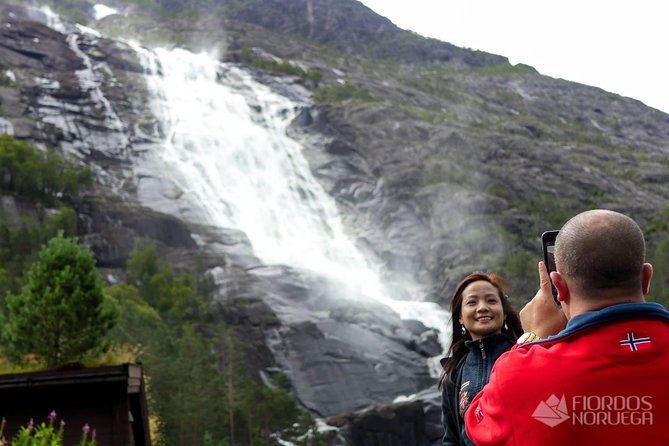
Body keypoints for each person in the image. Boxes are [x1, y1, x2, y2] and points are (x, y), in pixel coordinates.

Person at [464, 209, 669, 445]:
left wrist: (532, 338)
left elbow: (478, 426)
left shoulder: (521, 375)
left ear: (559, 287)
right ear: (646, 278)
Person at [439, 272, 523, 445]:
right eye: (472, 302)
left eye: (491, 300)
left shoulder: (525, 355)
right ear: (460, 318)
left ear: (504, 313)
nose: (483, 307)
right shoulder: (454, 376)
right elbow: (452, 439)